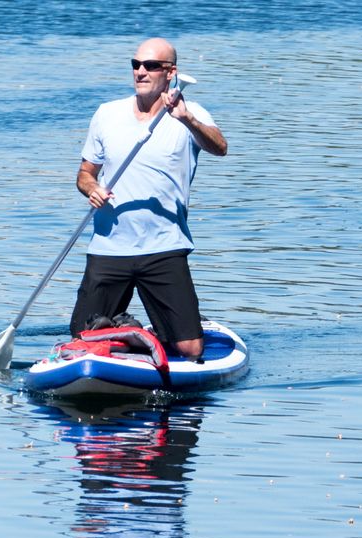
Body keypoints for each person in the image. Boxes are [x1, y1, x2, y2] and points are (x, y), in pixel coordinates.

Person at [70, 38, 227, 360]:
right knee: (81, 339)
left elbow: (220, 148)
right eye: (136, 64)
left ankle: (148, 330)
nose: (140, 72)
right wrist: (91, 188)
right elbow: (85, 174)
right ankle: (129, 330)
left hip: (164, 247)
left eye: (151, 66)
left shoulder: (189, 113)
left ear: (171, 73)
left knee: (190, 348)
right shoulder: (107, 113)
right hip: (109, 246)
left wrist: (187, 120)